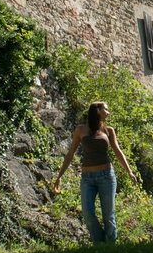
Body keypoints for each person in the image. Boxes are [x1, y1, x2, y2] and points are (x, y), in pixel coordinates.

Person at [53, 101, 138, 243]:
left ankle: (110, 247)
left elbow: (118, 151)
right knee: (87, 214)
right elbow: (70, 153)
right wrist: (59, 176)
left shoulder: (108, 130)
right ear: (97, 110)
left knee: (108, 216)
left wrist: (129, 171)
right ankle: (100, 245)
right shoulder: (80, 130)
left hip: (107, 176)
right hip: (87, 178)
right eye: (106, 109)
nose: (108, 112)